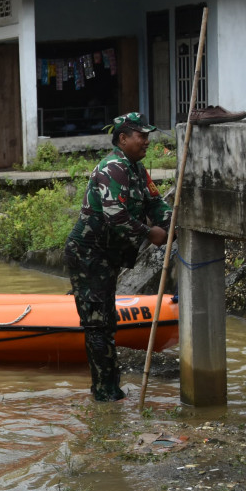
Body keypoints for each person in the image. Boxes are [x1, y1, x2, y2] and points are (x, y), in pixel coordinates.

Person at [63, 112, 171, 401]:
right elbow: (116, 217)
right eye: (141, 136)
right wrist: (151, 234)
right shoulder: (112, 167)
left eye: (148, 136)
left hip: (108, 256)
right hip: (89, 255)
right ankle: (104, 394)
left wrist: (169, 221)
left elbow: (155, 201)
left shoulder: (137, 169)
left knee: (107, 324)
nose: (147, 141)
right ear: (123, 139)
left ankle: (112, 389)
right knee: (98, 326)